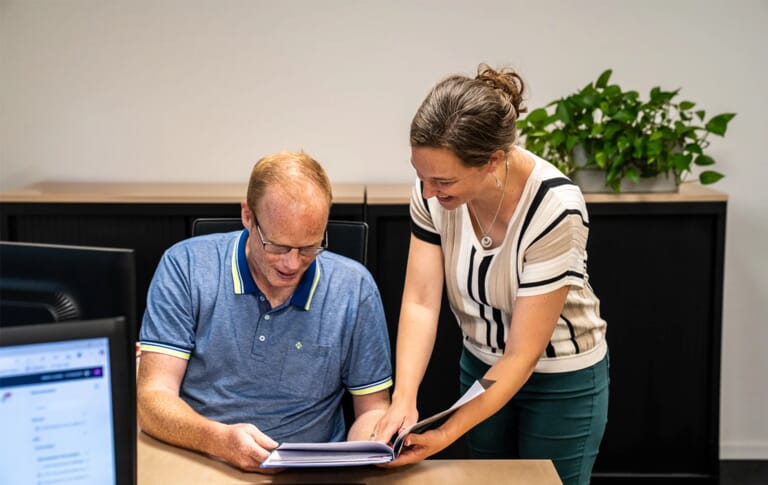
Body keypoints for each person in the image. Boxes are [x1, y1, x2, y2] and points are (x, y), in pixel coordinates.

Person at [372, 64, 609, 485]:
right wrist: (404, 400)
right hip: (480, 366)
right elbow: (421, 302)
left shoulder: (555, 208)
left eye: (443, 180)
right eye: (420, 174)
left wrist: (445, 432)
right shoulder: (431, 190)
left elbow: (522, 354)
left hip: (562, 379)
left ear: (492, 161)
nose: (427, 192)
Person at [137, 151, 393, 472]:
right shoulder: (185, 267)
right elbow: (152, 399)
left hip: (308, 474)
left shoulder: (354, 288)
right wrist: (218, 440)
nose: (292, 263)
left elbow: (372, 408)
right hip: (202, 459)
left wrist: (375, 444)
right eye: (278, 245)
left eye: (310, 246)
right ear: (248, 215)